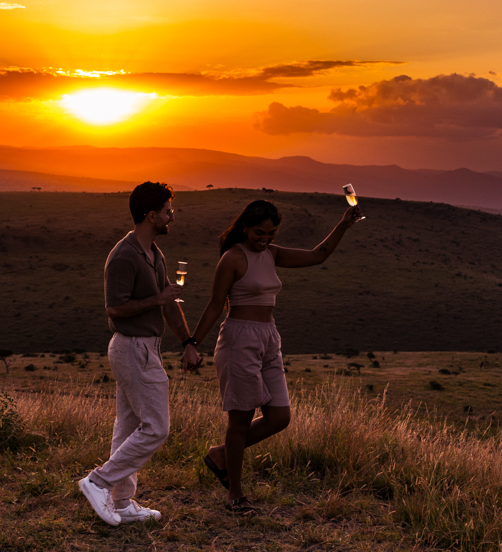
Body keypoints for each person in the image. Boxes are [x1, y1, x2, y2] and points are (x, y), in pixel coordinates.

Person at [187, 198, 364, 513]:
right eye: (259, 232)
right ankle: (235, 496)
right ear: (245, 227)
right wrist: (191, 343)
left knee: (280, 417)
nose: (265, 238)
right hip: (239, 339)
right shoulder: (232, 258)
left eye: (270, 233)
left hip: (270, 338)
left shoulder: (272, 254)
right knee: (239, 421)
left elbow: (316, 256)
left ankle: (220, 455)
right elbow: (215, 305)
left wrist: (343, 225)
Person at [78, 181, 203, 526]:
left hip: (147, 347)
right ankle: (97, 482)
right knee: (156, 428)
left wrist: (188, 342)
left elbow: (168, 304)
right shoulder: (124, 256)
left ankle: (121, 502)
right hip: (131, 347)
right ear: (151, 216)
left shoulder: (155, 254)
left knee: (128, 426)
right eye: (167, 211)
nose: (171, 217)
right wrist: (158, 300)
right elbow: (115, 309)